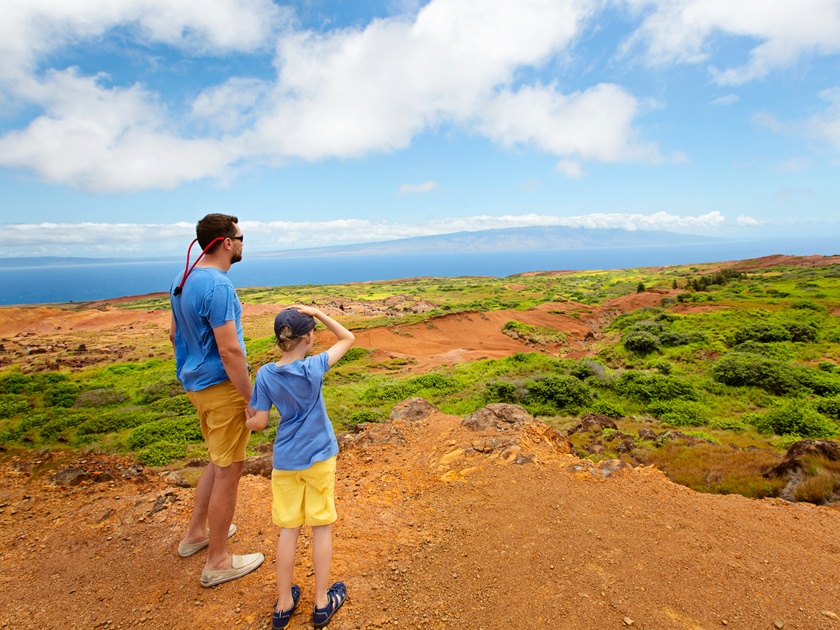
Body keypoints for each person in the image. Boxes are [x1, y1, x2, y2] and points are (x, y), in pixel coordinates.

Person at [169, 213, 264, 587]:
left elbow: (174, 333)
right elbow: (230, 352)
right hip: (222, 389)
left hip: (196, 386)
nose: (243, 243)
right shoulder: (219, 286)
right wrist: (251, 398)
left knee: (216, 457)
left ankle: (196, 534)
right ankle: (218, 562)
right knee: (229, 470)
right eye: (241, 237)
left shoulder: (183, 277)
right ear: (226, 242)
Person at [245, 305, 355, 629]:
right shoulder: (314, 368)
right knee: (321, 526)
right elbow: (348, 337)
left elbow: (261, 422)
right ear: (308, 338)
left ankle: (283, 604)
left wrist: (246, 421)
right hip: (320, 456)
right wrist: (319, 313)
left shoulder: (265, 375)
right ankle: (321, 602)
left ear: (280, 340)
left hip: (286, 460)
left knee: (288, 530)